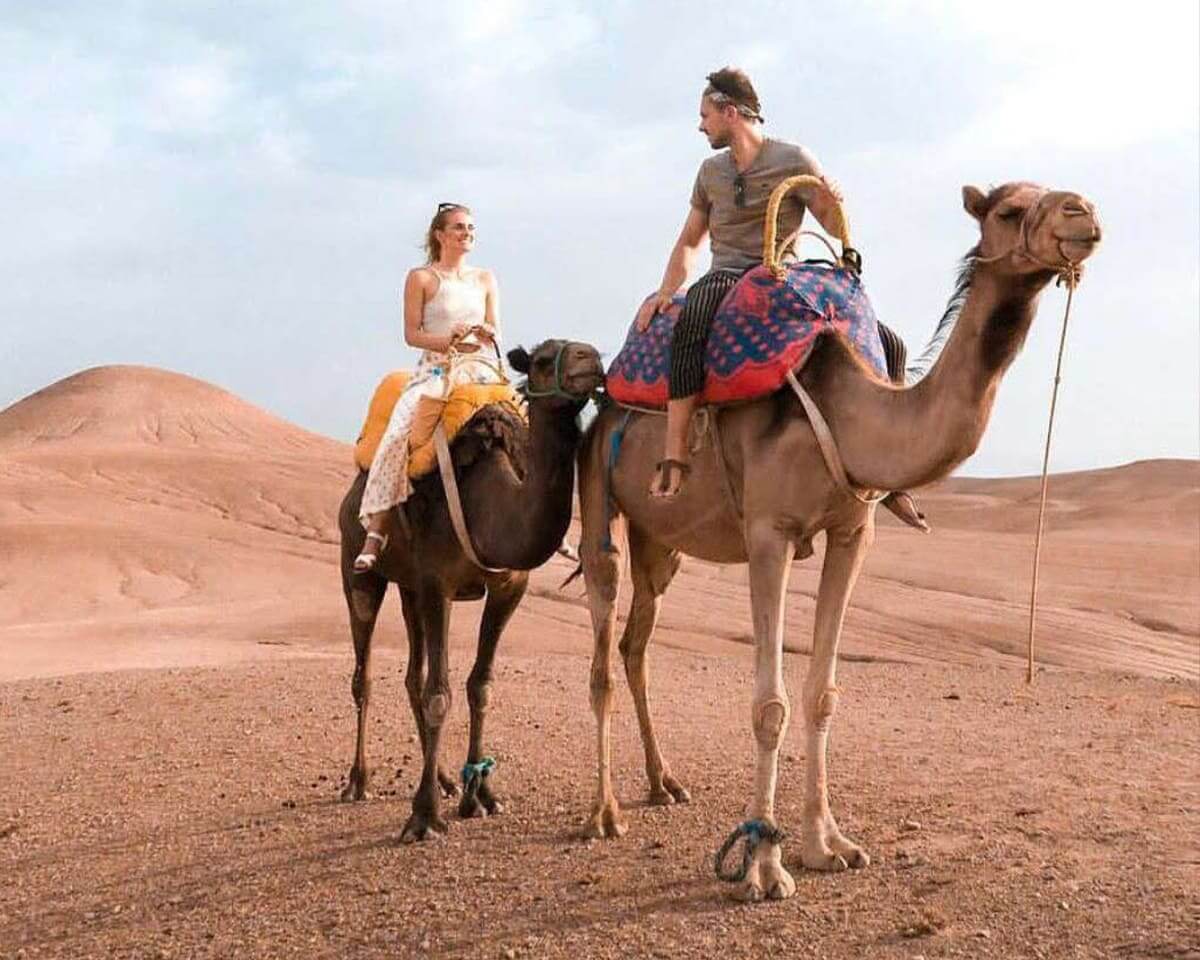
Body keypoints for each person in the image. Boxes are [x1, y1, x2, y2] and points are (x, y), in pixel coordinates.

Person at [637, 67, 849, 498]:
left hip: (784, 272)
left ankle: (886, 470)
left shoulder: (795, 159)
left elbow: (832, 224)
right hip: (727, 275)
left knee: (870, 334)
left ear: (730, 112)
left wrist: (833, 198)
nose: (701, 125)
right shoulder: (710, 172)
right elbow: (689, 242)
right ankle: (675, 453)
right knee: (691, 319)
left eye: (705, 116)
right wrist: (665, 292)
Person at [354, 202, 504, 572]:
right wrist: (447, 339)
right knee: (399, 432)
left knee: (527, 423)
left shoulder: (485, 278)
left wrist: (486, 333)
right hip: (437, 370)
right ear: (439, 234)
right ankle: (377, 527)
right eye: (458, 227)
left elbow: (496, 327)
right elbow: (412, 334)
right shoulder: (421, 278)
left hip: (482, 369)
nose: (467, 233)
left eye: (470, 228)